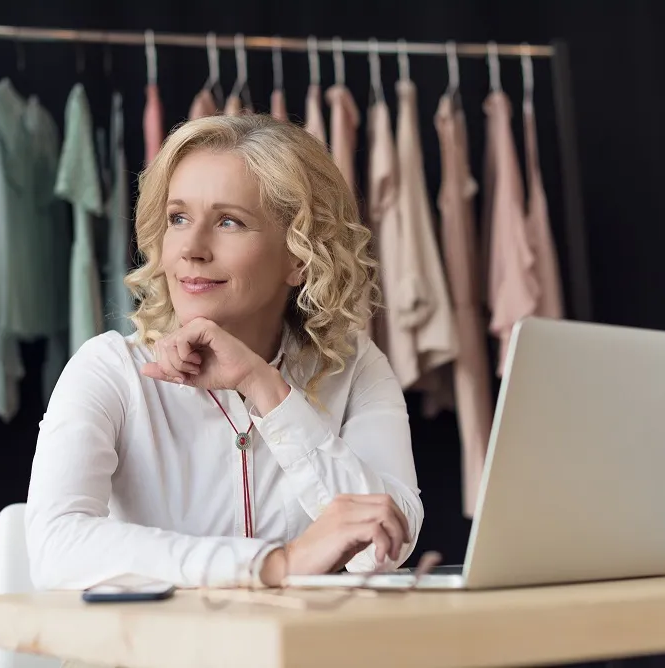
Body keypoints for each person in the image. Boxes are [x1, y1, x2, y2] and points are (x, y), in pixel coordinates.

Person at [24, 113, 424, 590]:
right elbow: (56, 548)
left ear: (299, 256)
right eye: (178, 218)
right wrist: (274, 564)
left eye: (229, 221)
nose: (191, 247)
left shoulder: (353, 367)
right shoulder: (109, 370)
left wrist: (265, 388)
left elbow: (383, 550)